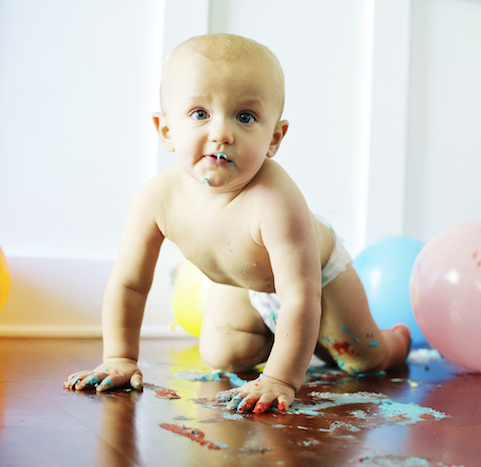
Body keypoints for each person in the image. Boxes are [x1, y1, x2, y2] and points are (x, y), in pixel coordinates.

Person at [64, 33, 410, 414]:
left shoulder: (276, 201)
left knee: (360, 359)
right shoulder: (156, 199)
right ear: (166, 131)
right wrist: (120, 357)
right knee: (224, 354)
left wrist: (280, 379)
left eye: (245, 117)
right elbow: (129, 283)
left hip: (318, 279)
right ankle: (293, 342)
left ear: (275, 138)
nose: (221, 133)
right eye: (200, 114)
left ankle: (395, 341)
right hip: (248, 280)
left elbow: (300, 296)